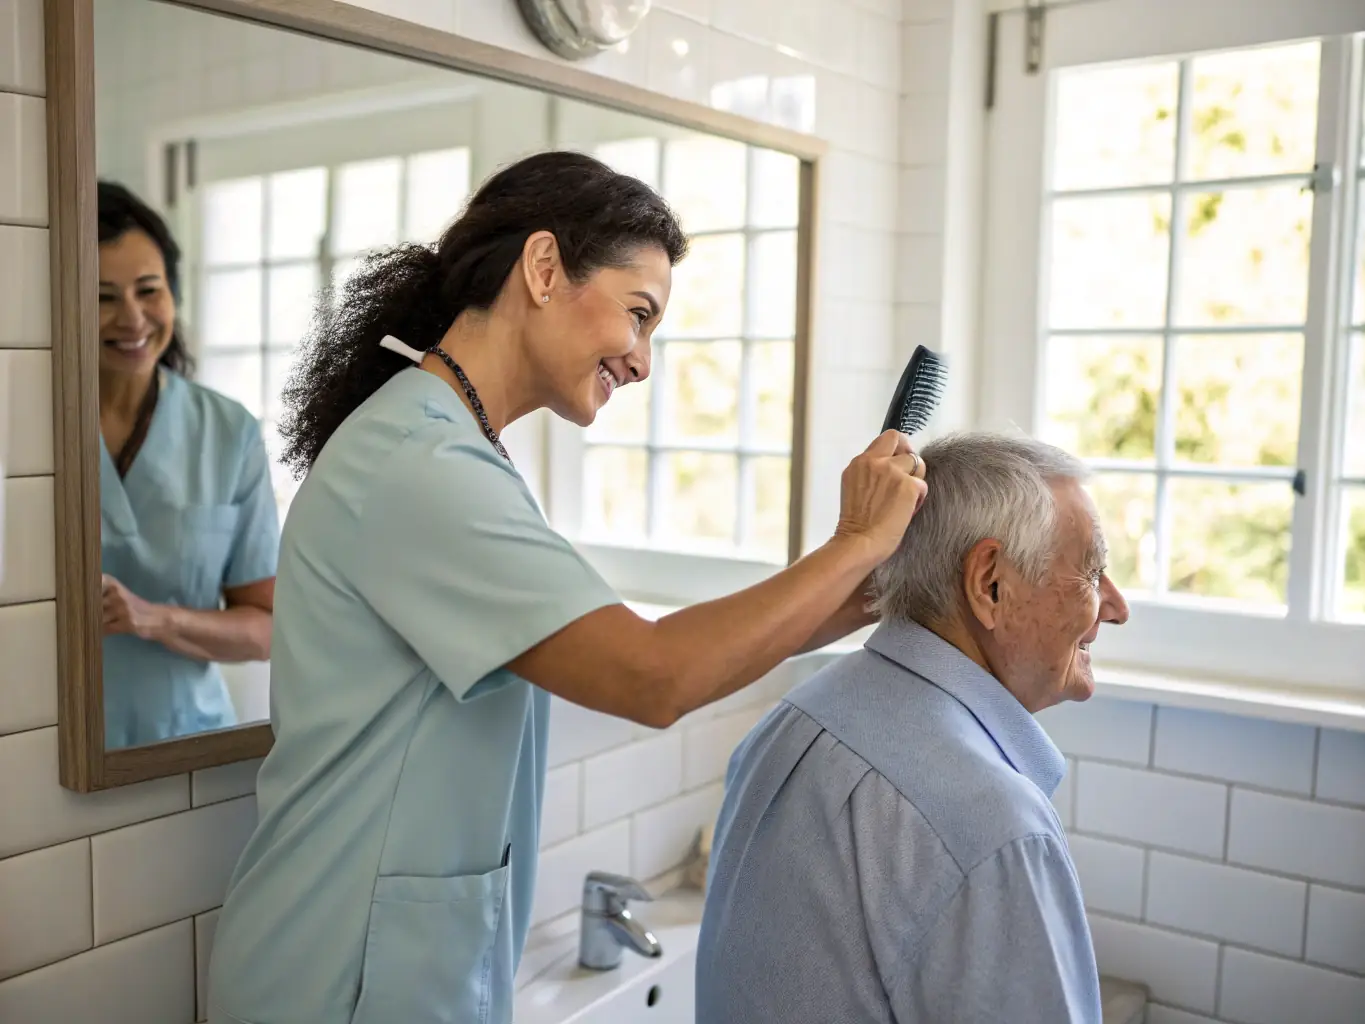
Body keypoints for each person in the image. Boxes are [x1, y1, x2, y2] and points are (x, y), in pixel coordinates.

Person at [205, 150, 927, 1024]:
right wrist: (850, 544)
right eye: (638, 314)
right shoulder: (418, 462)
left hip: (394, 969)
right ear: (543, 269)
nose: (643, 361)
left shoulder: (454, 447)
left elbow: (620, 652)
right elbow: (649, 675)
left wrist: (860, 587)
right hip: (335, 978)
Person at [697, 432, 1131, 1024]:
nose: (1115, 604)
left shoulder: (793, 719)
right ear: (990, 583)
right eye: (1092, 570)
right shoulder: (994, 828)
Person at [97, 181, 279, 749]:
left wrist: (156, 619)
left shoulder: (228, 433)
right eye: (101, 296)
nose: (132, 318)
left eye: (148, 290)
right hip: (42, 752)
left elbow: (265, 629)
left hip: (186, 749)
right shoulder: (24, 430)